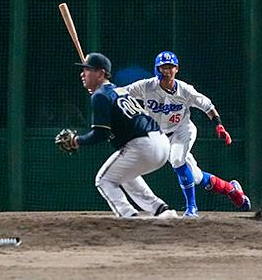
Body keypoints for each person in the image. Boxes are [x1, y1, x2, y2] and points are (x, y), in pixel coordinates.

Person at [124, 51, 251, 218]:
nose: (166, 71)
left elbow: (207, 106)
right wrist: (104, 94)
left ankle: (192, 208)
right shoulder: (146, 86)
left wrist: (219, 125)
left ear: (176, 69)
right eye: (163, 67)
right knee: (195, 176)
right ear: (157, 69)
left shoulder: (185, 90)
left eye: (170, 67)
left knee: (177, 160)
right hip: (160, 136)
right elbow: (122, 93)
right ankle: (231, 189)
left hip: (182, 130)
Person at [62, 52, 177, 218]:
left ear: (100, 74)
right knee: (125, 174)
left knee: (104, 180)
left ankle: (128, 216)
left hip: (142, 145)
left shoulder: (100, 96)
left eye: (87, 70)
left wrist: (77, 141)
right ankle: (161, 209)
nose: (82, 74)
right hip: (161, 143)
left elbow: (101, 133)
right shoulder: (119, 90)